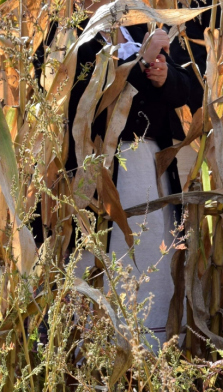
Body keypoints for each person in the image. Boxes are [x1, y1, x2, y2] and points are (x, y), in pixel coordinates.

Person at [66, 0, 199, 345]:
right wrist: (140, 65)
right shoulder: (67, 32)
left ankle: (152, 362)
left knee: (153, 263)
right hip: (101, 175)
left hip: (153, 172)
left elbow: (190, 88)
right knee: (107, 264)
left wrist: (164, 75)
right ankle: (99, 361)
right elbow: (82, 99)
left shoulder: (138, 27)